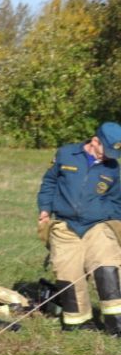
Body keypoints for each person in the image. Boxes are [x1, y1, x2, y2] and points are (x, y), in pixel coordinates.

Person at [37, 122, 121, 336]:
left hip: (97, 226)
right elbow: (49, 183)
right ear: (95, 141)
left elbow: (117, 201)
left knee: (107, 267)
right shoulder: (65, 154)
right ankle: (78, 323)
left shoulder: (113, 168)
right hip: (65, 226)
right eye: (106, 151)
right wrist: (45, 210)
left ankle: (116, 325)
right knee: (68, 273)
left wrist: (107, 219)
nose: (109, 156)